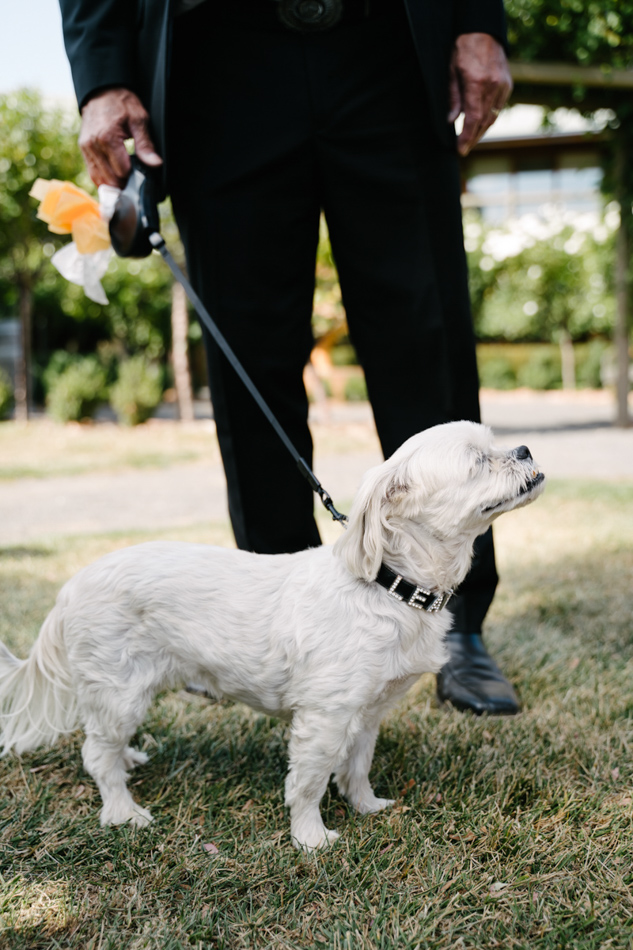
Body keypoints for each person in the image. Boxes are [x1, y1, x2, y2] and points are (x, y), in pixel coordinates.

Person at [58, 0, 517, 715]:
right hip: (218, 58)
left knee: (425, 343)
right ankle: (280, 630)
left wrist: (477, 17)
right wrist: (100, 78)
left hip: (388, 46)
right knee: (249, 362)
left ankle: (455, 627)